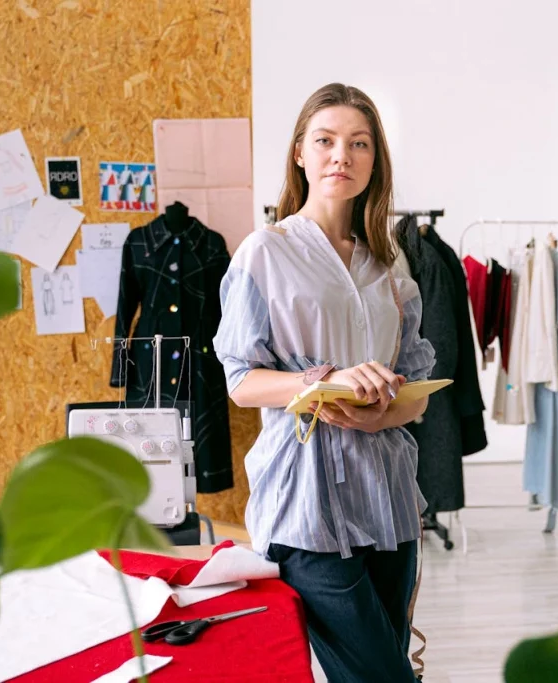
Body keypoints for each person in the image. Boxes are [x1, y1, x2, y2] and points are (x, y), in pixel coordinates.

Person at [213, 83, 436, 683]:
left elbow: (412, 382)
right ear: (300, 154)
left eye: (359, 144)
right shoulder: (266, 252)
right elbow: (241, 381)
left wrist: (383, 412)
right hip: (305, 503)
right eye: (327, 140)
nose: (343, 154)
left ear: (374, 162)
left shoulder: (390, 266)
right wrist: (327, 382)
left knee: (386, 670)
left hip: (386, 498)